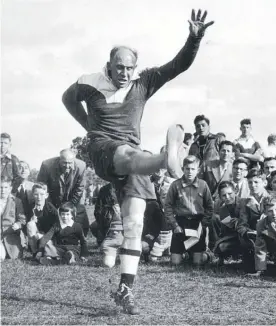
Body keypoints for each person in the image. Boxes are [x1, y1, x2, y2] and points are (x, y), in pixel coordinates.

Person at [62, 9, 214, 314]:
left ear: (136, 68)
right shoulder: (89, 82)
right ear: (108, 65)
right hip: (103, 147)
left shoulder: (143, 83)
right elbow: (67, 99)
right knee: (130, 155)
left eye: (130, 68)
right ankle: (166, 159)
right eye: (119, 67)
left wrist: (194, 38)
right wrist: (88, 128)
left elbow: (178, 65)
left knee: (134, 223)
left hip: (136, 157)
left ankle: (125, 289)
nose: (124, 73)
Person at [164, 155, 213, 266]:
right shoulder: (175, 185)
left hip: (197, 223)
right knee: (175, 263)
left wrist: (203, 225)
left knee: (197, 263)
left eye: (193, 169)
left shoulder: (203, 185)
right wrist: (175, 225)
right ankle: (185, 253)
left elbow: (210, 206)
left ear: (198, 170)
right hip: (181, 223)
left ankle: (207, 255)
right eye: (187, 169)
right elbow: (168, 206)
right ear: (183, 169)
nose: (190, 172)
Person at [37, 148, 89, 236]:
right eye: (64, 163)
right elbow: (42, 187)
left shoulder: (81, 165)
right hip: (52, 199)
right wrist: (51, 206)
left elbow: (80, 188)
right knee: (50, 223)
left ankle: (77, 237)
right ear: (59, 160)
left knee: (80, 220)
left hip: (73, 197)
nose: (67, 166)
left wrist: (70, 206)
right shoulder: (47, 165)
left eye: (70, 163)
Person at [237, 168, 270, 271]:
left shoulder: (272, 198)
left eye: (256, 182)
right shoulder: (245, 202)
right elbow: (242, 224)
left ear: (264, 183)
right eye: (250, 182)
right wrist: (248, 232)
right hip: (253, 236)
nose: (253, 185)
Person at [26, 183, 59, 259]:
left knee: (48, 250)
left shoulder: (51, 209)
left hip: (49, 236)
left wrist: (44, 238)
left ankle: (43, 252)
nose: (39, 197)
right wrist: (31, 220)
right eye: (36, 194)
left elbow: (55, 228)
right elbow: (26, 228)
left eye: (42, 194)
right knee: (30, 224)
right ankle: (34, 252)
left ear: (46, 195)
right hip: (35, 237)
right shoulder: (30, 207)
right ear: (32, 195)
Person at [213, 181, 241, 265]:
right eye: (224, 195)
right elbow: (225, 231)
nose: (227, 197)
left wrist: (240, 221)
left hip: (247, 236)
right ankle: (226, 256)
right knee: (222, 246)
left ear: (235, 191)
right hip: (234, 237)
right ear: (220, 197)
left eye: (230, 193)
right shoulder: (223, 209)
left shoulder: (244, 204)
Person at [249, 196, 276, 277]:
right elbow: (260, 248)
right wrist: (260, 270)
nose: (274, 213)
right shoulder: (261, 225)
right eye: (270, 211)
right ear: (265, 212)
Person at [0, 177, 26, 261]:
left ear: (10, 188)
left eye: (5, 187)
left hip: (10, 235)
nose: (3, 190)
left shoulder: (17, 201)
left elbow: (22, 219)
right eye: (0, 187)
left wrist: (18, 224)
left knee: (13, 256)